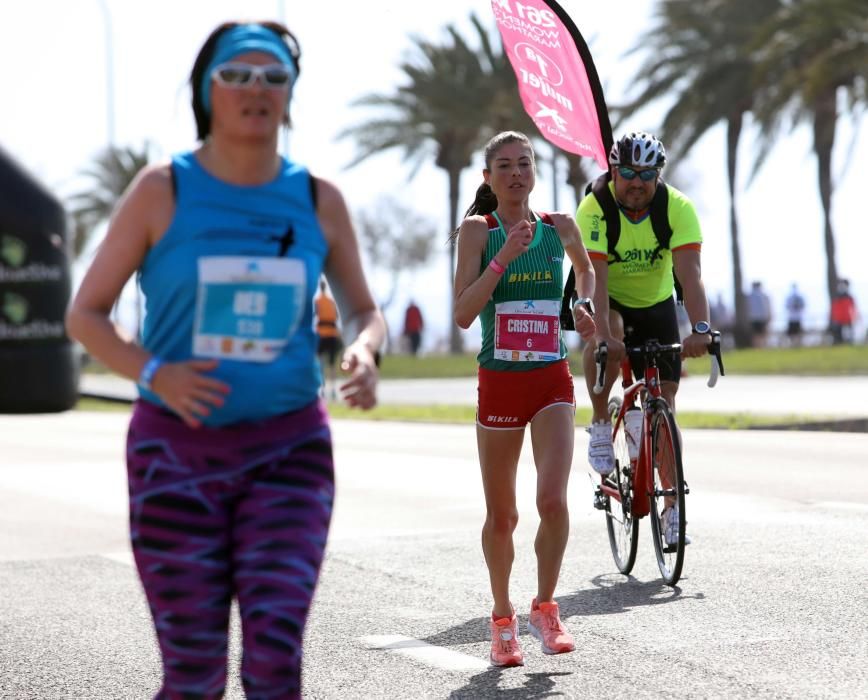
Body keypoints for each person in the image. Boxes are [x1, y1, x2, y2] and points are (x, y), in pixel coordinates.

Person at [65, 21, 385, 699]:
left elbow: (363, 307)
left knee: (275, 666)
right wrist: (154, 373)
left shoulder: (318, 199)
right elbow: (84, 314)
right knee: (193, 675)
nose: (256, 88)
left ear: (291, 94)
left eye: (273, 75)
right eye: (236, 74)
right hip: (175, 457)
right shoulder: (163, 190)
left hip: (290, 452)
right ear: (207, 91)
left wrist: (363, 347)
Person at [452, 131, 596, 667]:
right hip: (500, 381)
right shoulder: (478, 231)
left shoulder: (560, 227)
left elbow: (585, 269)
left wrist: (579, 304)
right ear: (488, 177)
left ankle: (545, 607)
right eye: (505, 166)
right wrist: (502, 258)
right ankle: (502, 619)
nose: (516, 173)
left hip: (551, 378)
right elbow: (463, 313)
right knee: (503, 515)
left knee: (553, 502)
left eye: (525, 164)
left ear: (535, 173)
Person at [577, 131, 711, 548]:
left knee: (666, 405)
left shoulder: (677, 208)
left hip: (656, 304)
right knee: (608, 334)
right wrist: (601, 334)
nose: (637, 182)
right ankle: (601, 420)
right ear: (613, 171)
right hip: (606, 299)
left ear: (658, 174)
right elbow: (594, 277)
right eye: (628, 173)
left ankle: (673, 509)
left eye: (647, 174)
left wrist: (701, 330)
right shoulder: (595, 207)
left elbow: (690, 277)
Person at [315, 278, 341, 397]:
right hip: (332, 334)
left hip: (322, 334)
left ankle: (323, 388)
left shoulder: (318, 301)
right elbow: (336, 317)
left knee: (321, 362)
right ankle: (333, 389)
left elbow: (315, 316)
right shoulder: (331, 301)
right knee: (332, 364)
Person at [830, 278, 858, 344]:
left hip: (848, 318)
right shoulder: (836, 297)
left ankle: (849, 343)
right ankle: (839, 343)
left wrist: (855, 316)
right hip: (838, 319)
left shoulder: (850, 297)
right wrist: (833, 318)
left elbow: (853, 308)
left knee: (849, 334)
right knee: (838, 335)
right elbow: (834, 309)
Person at [747, 280, 772, 347]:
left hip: (753, 318)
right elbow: (768, 307)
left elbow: (747, 308)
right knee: (763, 334)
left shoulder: (749, 296)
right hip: (763, 318)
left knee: (755, 335)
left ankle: (757, 347)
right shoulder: (764, 295)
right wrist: (769, 316)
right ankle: (763, 347)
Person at [784, 283, 806, 347]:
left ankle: (794, 344)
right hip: (798, 317)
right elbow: (803, 306)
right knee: (797, 332)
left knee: (792, 333)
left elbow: (786, 306)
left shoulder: (789, 296)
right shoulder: (800, 296)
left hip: (792, 317)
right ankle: (797, 344)